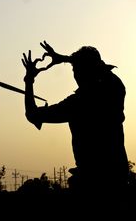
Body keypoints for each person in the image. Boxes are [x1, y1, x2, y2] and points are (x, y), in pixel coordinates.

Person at [22, 41, 129, 198]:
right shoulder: (115, 88)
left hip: (89, 182)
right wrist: (65, 58)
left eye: (76, 70)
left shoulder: (77, 103)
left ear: (82, 72)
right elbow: (101, 69)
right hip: (117, 178)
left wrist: (29, 81)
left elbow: (32, 114)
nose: (74, 74)